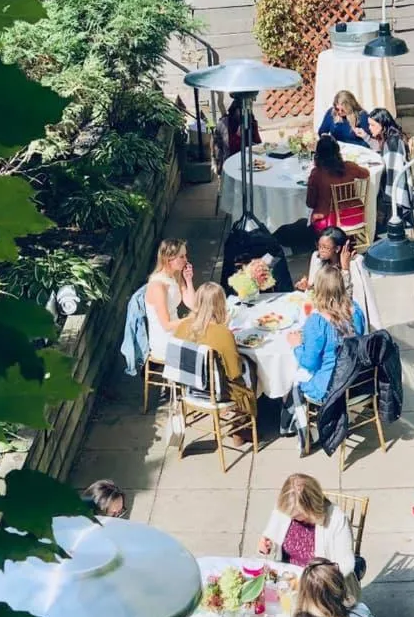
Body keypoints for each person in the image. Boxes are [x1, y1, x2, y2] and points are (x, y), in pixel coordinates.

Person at [174, 281, 257, 446]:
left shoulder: (182, 326)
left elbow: (176, 361)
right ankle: (240, 429)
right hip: (218, 393)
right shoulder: (223, 333)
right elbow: (235, 373)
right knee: (251, 368)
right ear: (220, 304)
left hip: (191, 389)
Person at [257, 474, 362, 593]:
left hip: (320, 587)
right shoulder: (287, 507)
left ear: (312, 508)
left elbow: (346, 565)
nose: (292, 518)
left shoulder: (337, 520)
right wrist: (266, 542)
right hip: (287, 581)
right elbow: (271, 533)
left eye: (297, 516)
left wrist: (313, 582)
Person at [287, 266, 365, 405]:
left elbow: (310, 363)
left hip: (330, 387)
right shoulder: (356, 310)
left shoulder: (317, 321)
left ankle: (295, 422)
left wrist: (297, 346)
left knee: (293, 378)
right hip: (358, 380)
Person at [295, 226, 383, 331]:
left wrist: (345, 270)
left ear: (337, 248)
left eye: (325, 248)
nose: (321, 250)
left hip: (344, 320)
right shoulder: (317, 258)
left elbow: (351, 300)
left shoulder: (354, 264)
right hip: (323, 312)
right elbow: (320, 290)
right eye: (319, 246)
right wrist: (308, 286)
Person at [306, 135, 370, 235]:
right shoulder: (350, 166)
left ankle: (323, 244)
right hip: (354, 215)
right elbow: (366, 173)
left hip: (329, 222)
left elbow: (310, 203)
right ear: (337, 151)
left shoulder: (316, 174)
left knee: (312, 220)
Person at [145, 239, 196, 361]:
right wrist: (191, 320)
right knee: (206, 345)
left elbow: (192, 303)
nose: (186, 260)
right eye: (181, 257)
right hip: (164, 341)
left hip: (177, 331)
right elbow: (166, 325)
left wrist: (188, 280)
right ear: (169, 259)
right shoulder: (158, 285)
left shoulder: (175, 276)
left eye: (185, 255)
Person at [366, 107, 414, 231]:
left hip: (393, 193)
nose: (369, 128)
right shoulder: (391, 137)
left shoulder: (392, 144)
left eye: (372, 125)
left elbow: (392, 174)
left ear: (382, 125)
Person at [213, 98, 262, 174]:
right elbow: (230, 149)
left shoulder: (249, 120)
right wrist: (238, 135)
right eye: (241, 110)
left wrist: (254, 126)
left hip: (249, 161)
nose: (244, 113)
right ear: (234, 110)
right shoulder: (225, 123)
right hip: (229, 162)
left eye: (247, 110)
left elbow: (258, 143)